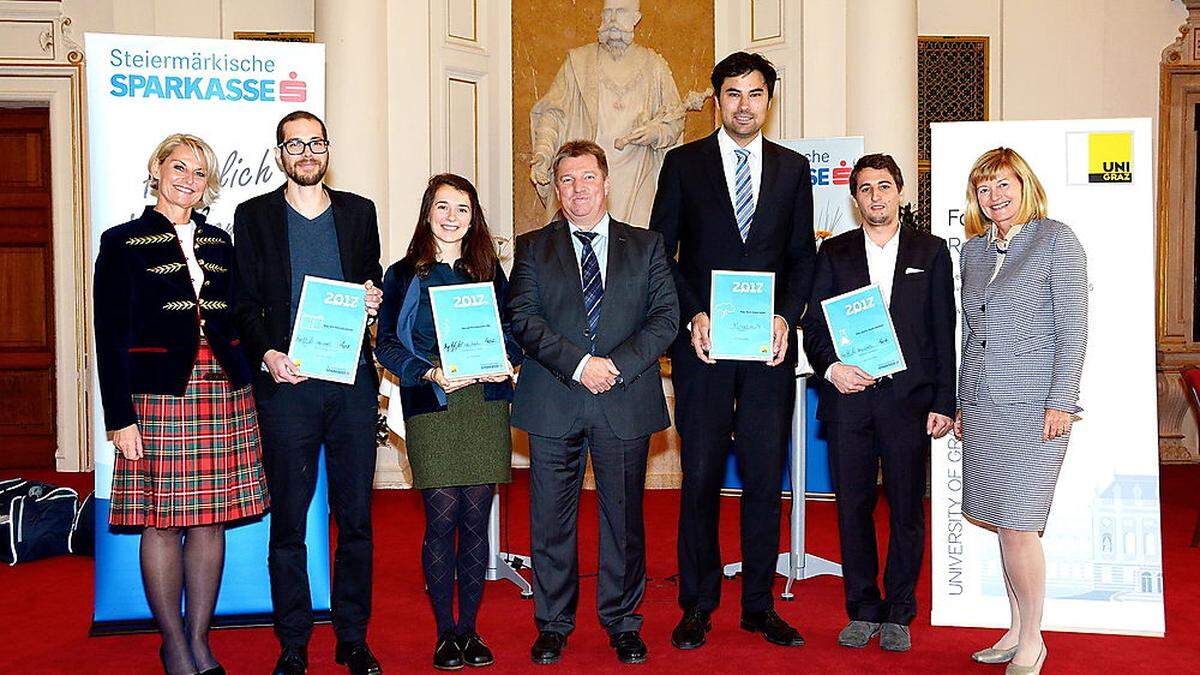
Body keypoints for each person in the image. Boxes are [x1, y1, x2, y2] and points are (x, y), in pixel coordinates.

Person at [649, 51, 815, 650]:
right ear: (716, 98)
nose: (744, 104)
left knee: (766, 478)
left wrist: (785, 317)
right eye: (733, 93)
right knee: (700, 476)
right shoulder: (682, 164)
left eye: (755, 93)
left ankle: (758, 605)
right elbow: (659, 256)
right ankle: (697, 602)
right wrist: (693, 313)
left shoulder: (795, 170)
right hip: (705, 349)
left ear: (770, 99)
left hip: (768, 351)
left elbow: (802, 257)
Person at [93, 133, 269, 675]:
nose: (187, 179)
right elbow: (108, 332)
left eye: (199, 172)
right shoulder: (122, 241)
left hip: (223, 391)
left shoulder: (220, 242)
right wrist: (119, 416)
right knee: (163, 522)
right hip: (157, 396)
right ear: (156, 168)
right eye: (179, 167)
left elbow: (240, 315)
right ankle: (172, 643)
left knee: (211, 521)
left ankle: (200, 640)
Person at [509, 140, 679, 665]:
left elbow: (666, 318)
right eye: (567, 180)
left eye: (587, 178)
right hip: (555, 397)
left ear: (606, 183)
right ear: (556, 189)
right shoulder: (533, 245)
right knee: (550, 520)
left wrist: (616, 365)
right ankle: (554, 623)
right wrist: (582, 364)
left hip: (623, 398)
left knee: (623, 518)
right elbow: (524, 317)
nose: (578, 189)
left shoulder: (647, 245)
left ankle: (623, 620)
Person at [232, 111, 384, 675]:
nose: (306, 152)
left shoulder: (358, 212)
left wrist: (373, 298)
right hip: (286, 387)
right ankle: (293, 641)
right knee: (289, 522)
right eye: (294, 144)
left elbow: (373, 279)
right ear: (279, 154)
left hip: (349, 387)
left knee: (358, 520)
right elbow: (242, 301)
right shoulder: (253, 217)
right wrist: (268, 353)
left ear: (327, 149)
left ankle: (352, 638)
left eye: (315, 142)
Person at [802, 154, 955, 653]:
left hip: (910, 404)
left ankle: (900, 610)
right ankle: (863, 607)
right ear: (854, 199)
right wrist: (830, 369)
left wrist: (944, 401)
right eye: (865, 189)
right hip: (850, 400)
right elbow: (816, 326)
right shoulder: (835, 253)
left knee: (908, 509)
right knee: (853, 508)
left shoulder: (930, 251)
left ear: (902, 193)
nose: (875, 197)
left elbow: (943, 330)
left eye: (884, 187)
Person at [374, 174, 524, 671]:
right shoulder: (402, 274)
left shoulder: (487, 271)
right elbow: (386, 345)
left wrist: (509, 358)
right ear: (427, 212)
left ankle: (471, 630)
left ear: (473, 216)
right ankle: (444, 633)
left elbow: (512, 331)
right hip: (433, 404)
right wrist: (430, 371)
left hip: (482, 404)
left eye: (463, 208)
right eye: (443, 206)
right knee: (441, 521)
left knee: (476, 521)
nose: (452, 216)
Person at [953, 147, 1087, 675]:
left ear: (1024, 185)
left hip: (1036, 407)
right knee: (1003, 523)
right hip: (986, 406)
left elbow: (1073, 329)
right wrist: (963, 403)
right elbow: (972, 336)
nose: (995, 197)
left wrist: (1061, 400)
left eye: (1004, 185)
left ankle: (1033, 639)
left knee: (1018, 525)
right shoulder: (973, 252)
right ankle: (1013, 629)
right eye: (984, 189)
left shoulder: (1056, 239)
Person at [529, 0, 687, 227]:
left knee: (637, 249)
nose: (613, 20)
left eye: (621, 12)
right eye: (608, 13)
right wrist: (543, 154)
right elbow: (553, 114)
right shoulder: (578, 61)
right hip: (585, 175)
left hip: (637, 175)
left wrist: (655, 132)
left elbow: (674, 120)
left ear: (636, 18)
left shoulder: (654, 65)